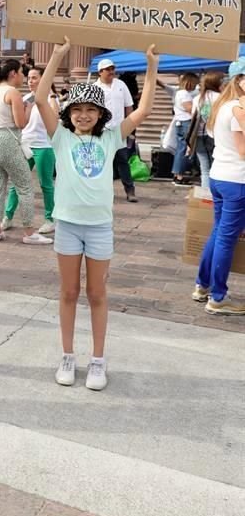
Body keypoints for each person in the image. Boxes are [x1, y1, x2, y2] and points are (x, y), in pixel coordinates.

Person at [36, 38, 159, 390]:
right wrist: (58, 55)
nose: (84, 115)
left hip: (100, 227)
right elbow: (42, 97)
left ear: (102, 114)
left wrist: (151, 66)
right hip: (68, 226)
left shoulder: (111, 139)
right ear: (69, 113)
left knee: (97, 294)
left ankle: (98, 361)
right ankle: (67, 356)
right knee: (69, 292)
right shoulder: (59, 136)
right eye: (77, 109)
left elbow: (144, 110)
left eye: (91, 110)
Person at [193, 57, 245, 315]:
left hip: (220, 176)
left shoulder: (222, 106)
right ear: (240, 80)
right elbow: (243, 150)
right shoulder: (237, 109)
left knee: (219, 234)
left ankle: (203, 285)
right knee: (226, 238)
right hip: (237, 179)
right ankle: (218, 296)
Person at [0, 59, 52, 245]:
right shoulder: (12, 92)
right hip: (6, 140)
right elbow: (21, 123)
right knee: (24, 186)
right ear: (13, 73)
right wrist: (27, 108)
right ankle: (29, 232)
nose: (23, 76)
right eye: (21, 72)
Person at [2, 66, 58, 234]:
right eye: (29, 78)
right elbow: (22, 123)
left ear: (44, 79)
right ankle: (8, 216)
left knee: (46, 184)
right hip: (25, 145)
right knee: (16, 183)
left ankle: (50, 219)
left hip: (44, 147)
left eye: (34, 78)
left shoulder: (50, 99)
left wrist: (53, 96)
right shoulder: (25, 98)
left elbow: (55, 117)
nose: (30, 81)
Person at [96, 58, 137, 203]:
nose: (111, 72)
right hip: (102, 130)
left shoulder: (121, 85)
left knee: (122, 160)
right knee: (103, 161)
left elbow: (129, 106)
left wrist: (130, 125)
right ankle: (102, 191)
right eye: (108, 69)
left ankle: (130, 190)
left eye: (112, 69)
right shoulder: (95, 88)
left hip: (119, 130)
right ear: (100, 71)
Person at [158, 72, 199, 186]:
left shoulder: (179, 93)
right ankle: (179, 175)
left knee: (181, 149)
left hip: (180, 122)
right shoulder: (184, 94)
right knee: (185, 150)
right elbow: (190, 108)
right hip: (186, 122)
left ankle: (177, 174)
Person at [189, 71, 223, 191]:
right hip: (216, 135)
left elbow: (193, 116)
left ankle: (205, 194)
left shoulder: (198, 98)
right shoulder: (220, 98)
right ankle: (216, 193)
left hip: (198, 135)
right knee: (217, 166)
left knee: (204, 167)